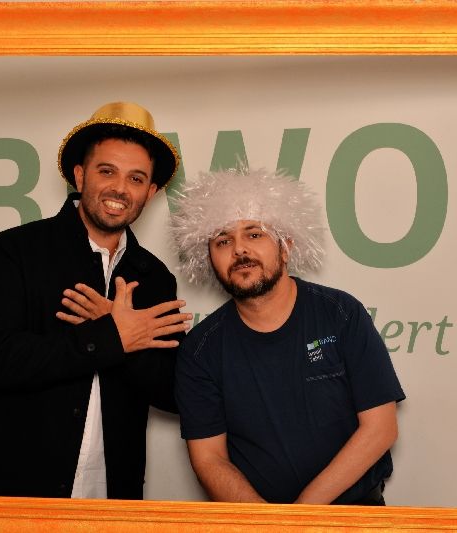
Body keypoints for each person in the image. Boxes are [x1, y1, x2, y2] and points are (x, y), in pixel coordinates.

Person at [0, 102, 191, 500]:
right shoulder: (16, 250)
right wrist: (112, 336)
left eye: (136, 178)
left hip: (110, 496)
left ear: (150, 192)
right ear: (80, 175)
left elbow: (173, 391)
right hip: (10, 493)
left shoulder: (155, 278)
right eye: (107, 171)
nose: (120, 189)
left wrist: (121, 339)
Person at [171, 168, 405, 505]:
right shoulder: (200, 350)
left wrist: (300, 516)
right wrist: (269, 524)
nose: (239, 250)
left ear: (286, 247)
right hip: (257, 524)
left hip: (357, 516)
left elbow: (381, 428)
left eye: (254, 234)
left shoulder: (341, 314)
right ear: (209, 259)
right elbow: (209, 459)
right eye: (223, 241)